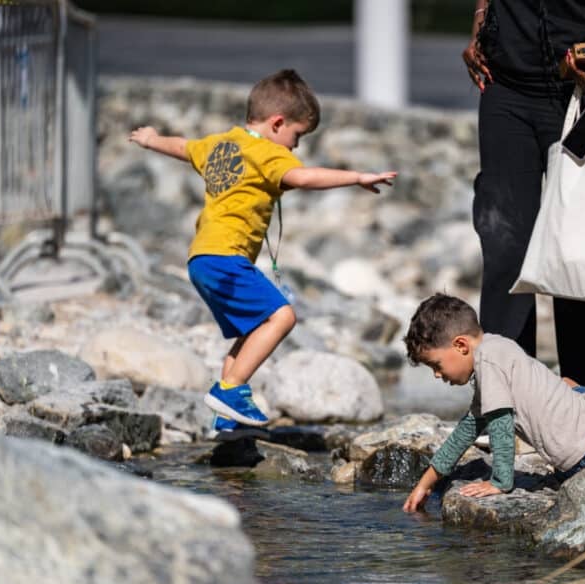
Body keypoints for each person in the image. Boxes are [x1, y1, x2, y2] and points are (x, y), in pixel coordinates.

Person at [130, 69, 396, 430]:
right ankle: (230, 391)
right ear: (277, 123)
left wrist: (151, 139)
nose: (295, 148)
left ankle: (226, 421)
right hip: (227, 257)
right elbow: (304, 177)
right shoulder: (267, 153)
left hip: (201, 259)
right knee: (282, 317)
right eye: (297, 136)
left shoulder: (220, 144)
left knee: (250, 331)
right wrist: (357, 177)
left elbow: (182, 147)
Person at [463, 0, 585, 401]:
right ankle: (505, 399)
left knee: (578, 250)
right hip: (505, 91)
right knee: (505, 244)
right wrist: (479, 27)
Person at [401, 294, 585, 512]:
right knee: (563, 386)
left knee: (561, 473)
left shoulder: (488, 367)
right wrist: (425, 483)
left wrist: (500, 482)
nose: (439, 376)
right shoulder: (499, 345)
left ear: (461, 345)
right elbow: (466, 432)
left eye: (437, 365)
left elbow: (501, 427)